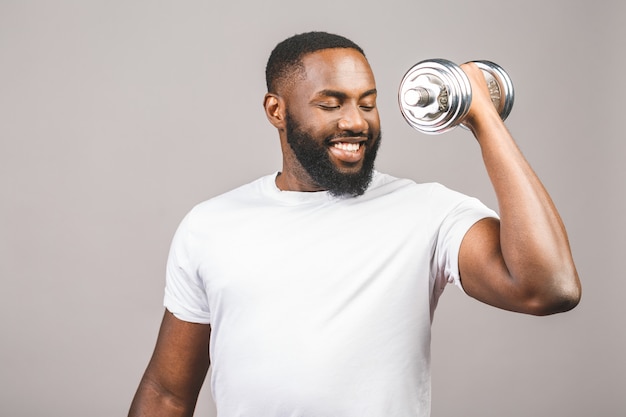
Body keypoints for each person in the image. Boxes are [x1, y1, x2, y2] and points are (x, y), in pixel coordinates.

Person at [128, 31, 581, 417]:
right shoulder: (210, 224)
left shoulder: (427, 212)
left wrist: (482, 117)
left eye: (368, 103)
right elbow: (167, 393)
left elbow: (548, 288)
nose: (355, 121)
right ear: (276, 111)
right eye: (331, 104)